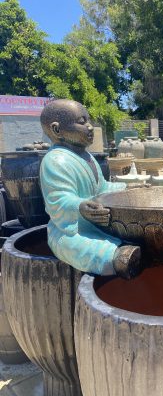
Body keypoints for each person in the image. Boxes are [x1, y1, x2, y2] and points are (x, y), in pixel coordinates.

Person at [39, 99, 141, 278]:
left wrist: (127, 188)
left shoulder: (87, 157)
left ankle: (125, 251)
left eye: (89, 121)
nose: (90, 126)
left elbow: (101, 188)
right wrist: (80, 206)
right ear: (57, 130)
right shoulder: (55, 160)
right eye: (81, 122)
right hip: (71, 229)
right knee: (78, 246)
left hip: (96, 222)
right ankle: (118, 258)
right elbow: (58, 199)